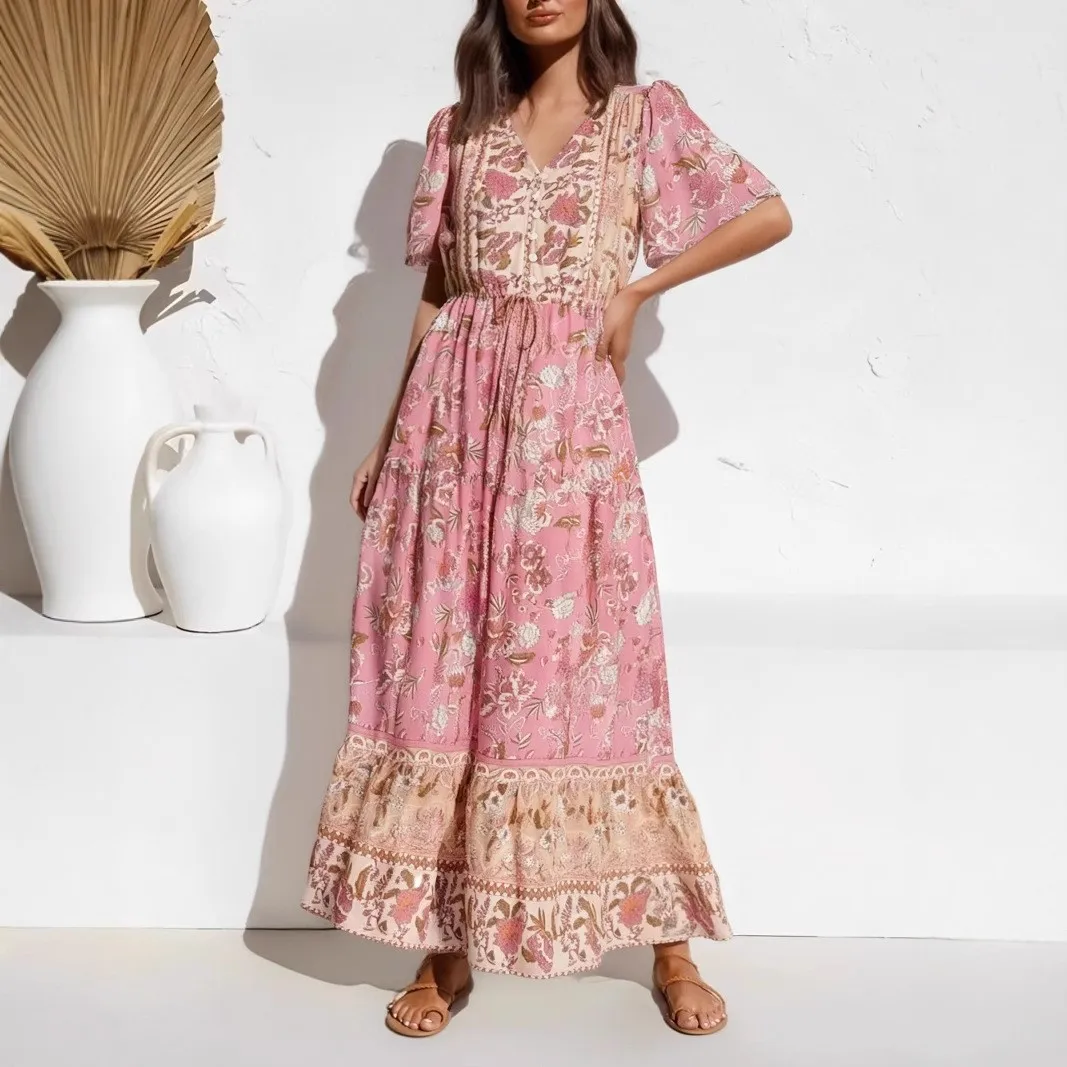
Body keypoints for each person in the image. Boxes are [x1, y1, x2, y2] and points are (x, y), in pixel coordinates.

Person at [302, 0, 792, 1038]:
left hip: (567, 428)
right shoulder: (458, 130)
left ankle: (668, 940)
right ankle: (445, 943)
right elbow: (439, 292)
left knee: (597, 670)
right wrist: (388, 437)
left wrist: (639, 291)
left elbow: (766, 214)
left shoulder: (642, 118)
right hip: (451, 426)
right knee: (450, 672)